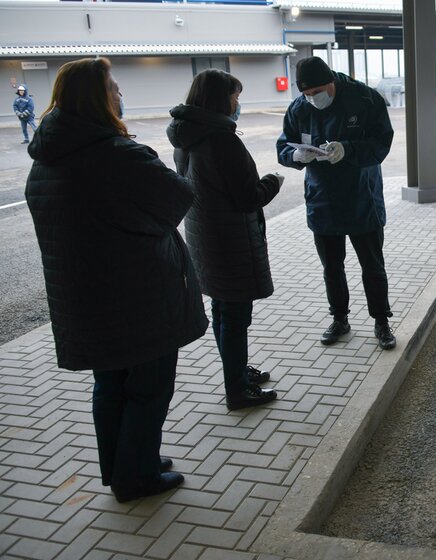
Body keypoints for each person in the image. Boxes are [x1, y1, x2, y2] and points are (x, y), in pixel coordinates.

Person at [25, 57, 208, 503]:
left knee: (109, 385)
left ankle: (124, 465)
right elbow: (178, 197)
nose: (119, 94)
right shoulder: (116, 153)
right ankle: (136, 478)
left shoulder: (48, 156)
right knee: (148, 387)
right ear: (97, 98)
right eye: (113, 87)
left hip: (84, 296)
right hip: (135, 294)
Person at [167, 69, 281, 410]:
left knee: (223, 310)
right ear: (220, 99)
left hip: (206, 238)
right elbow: (247, 198)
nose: (237, 104)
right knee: (234, 317)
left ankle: (237, 372)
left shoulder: (187, 136)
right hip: (229, 241)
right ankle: (238, 389)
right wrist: (272, 181)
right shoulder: (222, 141)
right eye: (235, 97)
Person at [277, 56, 397, 350]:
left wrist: (348, 149)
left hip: (361, 197)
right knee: (331, 267)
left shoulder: (364, 98)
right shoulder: (299, 108)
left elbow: (382, 142)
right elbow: (283, 146)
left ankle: (381, 321)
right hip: (323, 200)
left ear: (331, 81)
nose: (312, 98)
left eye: (317, 91)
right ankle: (340, 319)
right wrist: (295, 156)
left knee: (372, 266)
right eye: (306, 93)